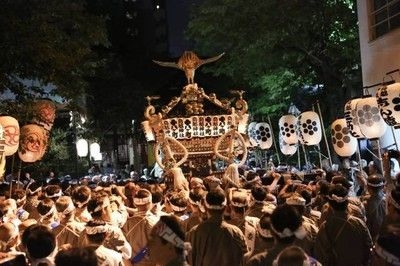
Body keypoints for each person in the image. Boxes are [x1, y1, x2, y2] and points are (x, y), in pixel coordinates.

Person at [314, 184, 373, 266]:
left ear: (330, 205)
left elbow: (320, 254)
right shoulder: (359, 223)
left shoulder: (326, 227)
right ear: (347, 202)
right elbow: (368, 246)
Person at [187, 190, 247, 266]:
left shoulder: (193, 233)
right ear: (225, 208)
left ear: (205, 207)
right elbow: (245, 259)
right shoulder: (235, 232)